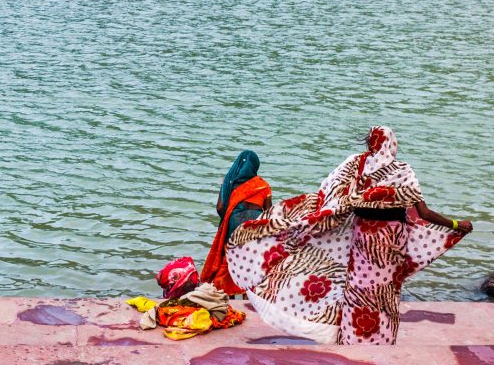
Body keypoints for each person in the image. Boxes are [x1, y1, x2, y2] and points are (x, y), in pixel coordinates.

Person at [226, 127, 472, 345]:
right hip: (393, 239)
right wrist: (455, 224)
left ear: (370, 144)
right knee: (386, 290)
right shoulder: (403, 171)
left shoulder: (356, 166)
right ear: (393, 145)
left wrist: (318, 217)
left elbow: (329, 195)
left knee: (359, 286)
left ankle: (353, 336)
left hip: (363, 235)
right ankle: (382, 339)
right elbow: (424, 213)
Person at [201, 150, 272, 296]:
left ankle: (228, 300)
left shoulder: (229, 183)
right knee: (251, 265)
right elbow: (269, 214)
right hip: (254, 230)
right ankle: (249, 300)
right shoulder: (263, 186)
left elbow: (220, 207)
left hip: (233, 227)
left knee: (229, 264)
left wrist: (229, 217)